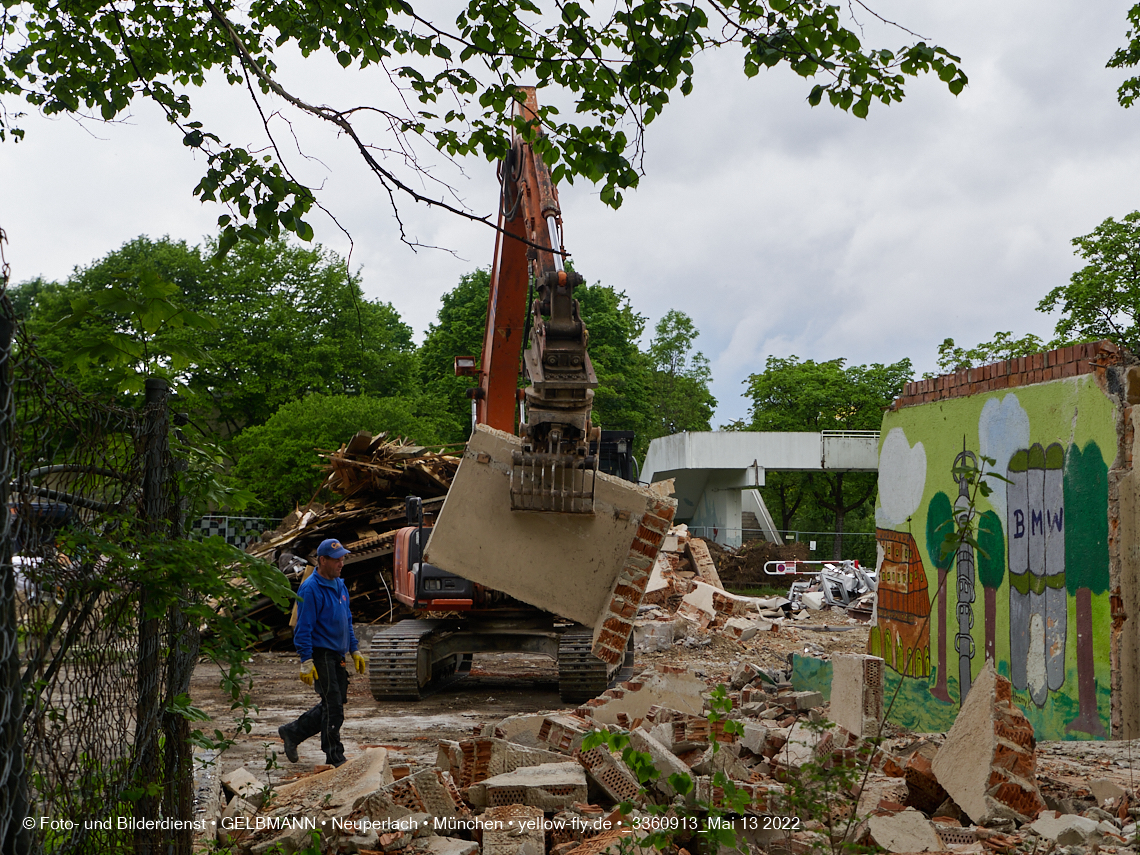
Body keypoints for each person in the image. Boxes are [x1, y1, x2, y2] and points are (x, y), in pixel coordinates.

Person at [278, 538, 366, 767]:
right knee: (334, 707)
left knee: (334, 702)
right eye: (337, 560)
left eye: (343, 559)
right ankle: (335, 757)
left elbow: (346, 619)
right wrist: (306, 660)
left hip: (338, 654)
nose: (341, 564)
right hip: (322, 654)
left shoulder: (340, 585)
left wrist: (354, 649)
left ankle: (293, 732)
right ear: (323, 560)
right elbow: (302, 627)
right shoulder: (311, 589)